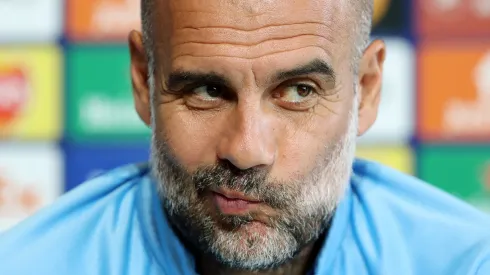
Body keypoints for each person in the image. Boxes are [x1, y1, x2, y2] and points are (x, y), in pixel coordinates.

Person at [1, 0, 489, 274]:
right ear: (142, 79)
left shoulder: (466, 264)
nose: (245, 149)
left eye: (298, 91)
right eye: (208, 91)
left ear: (366, 89)